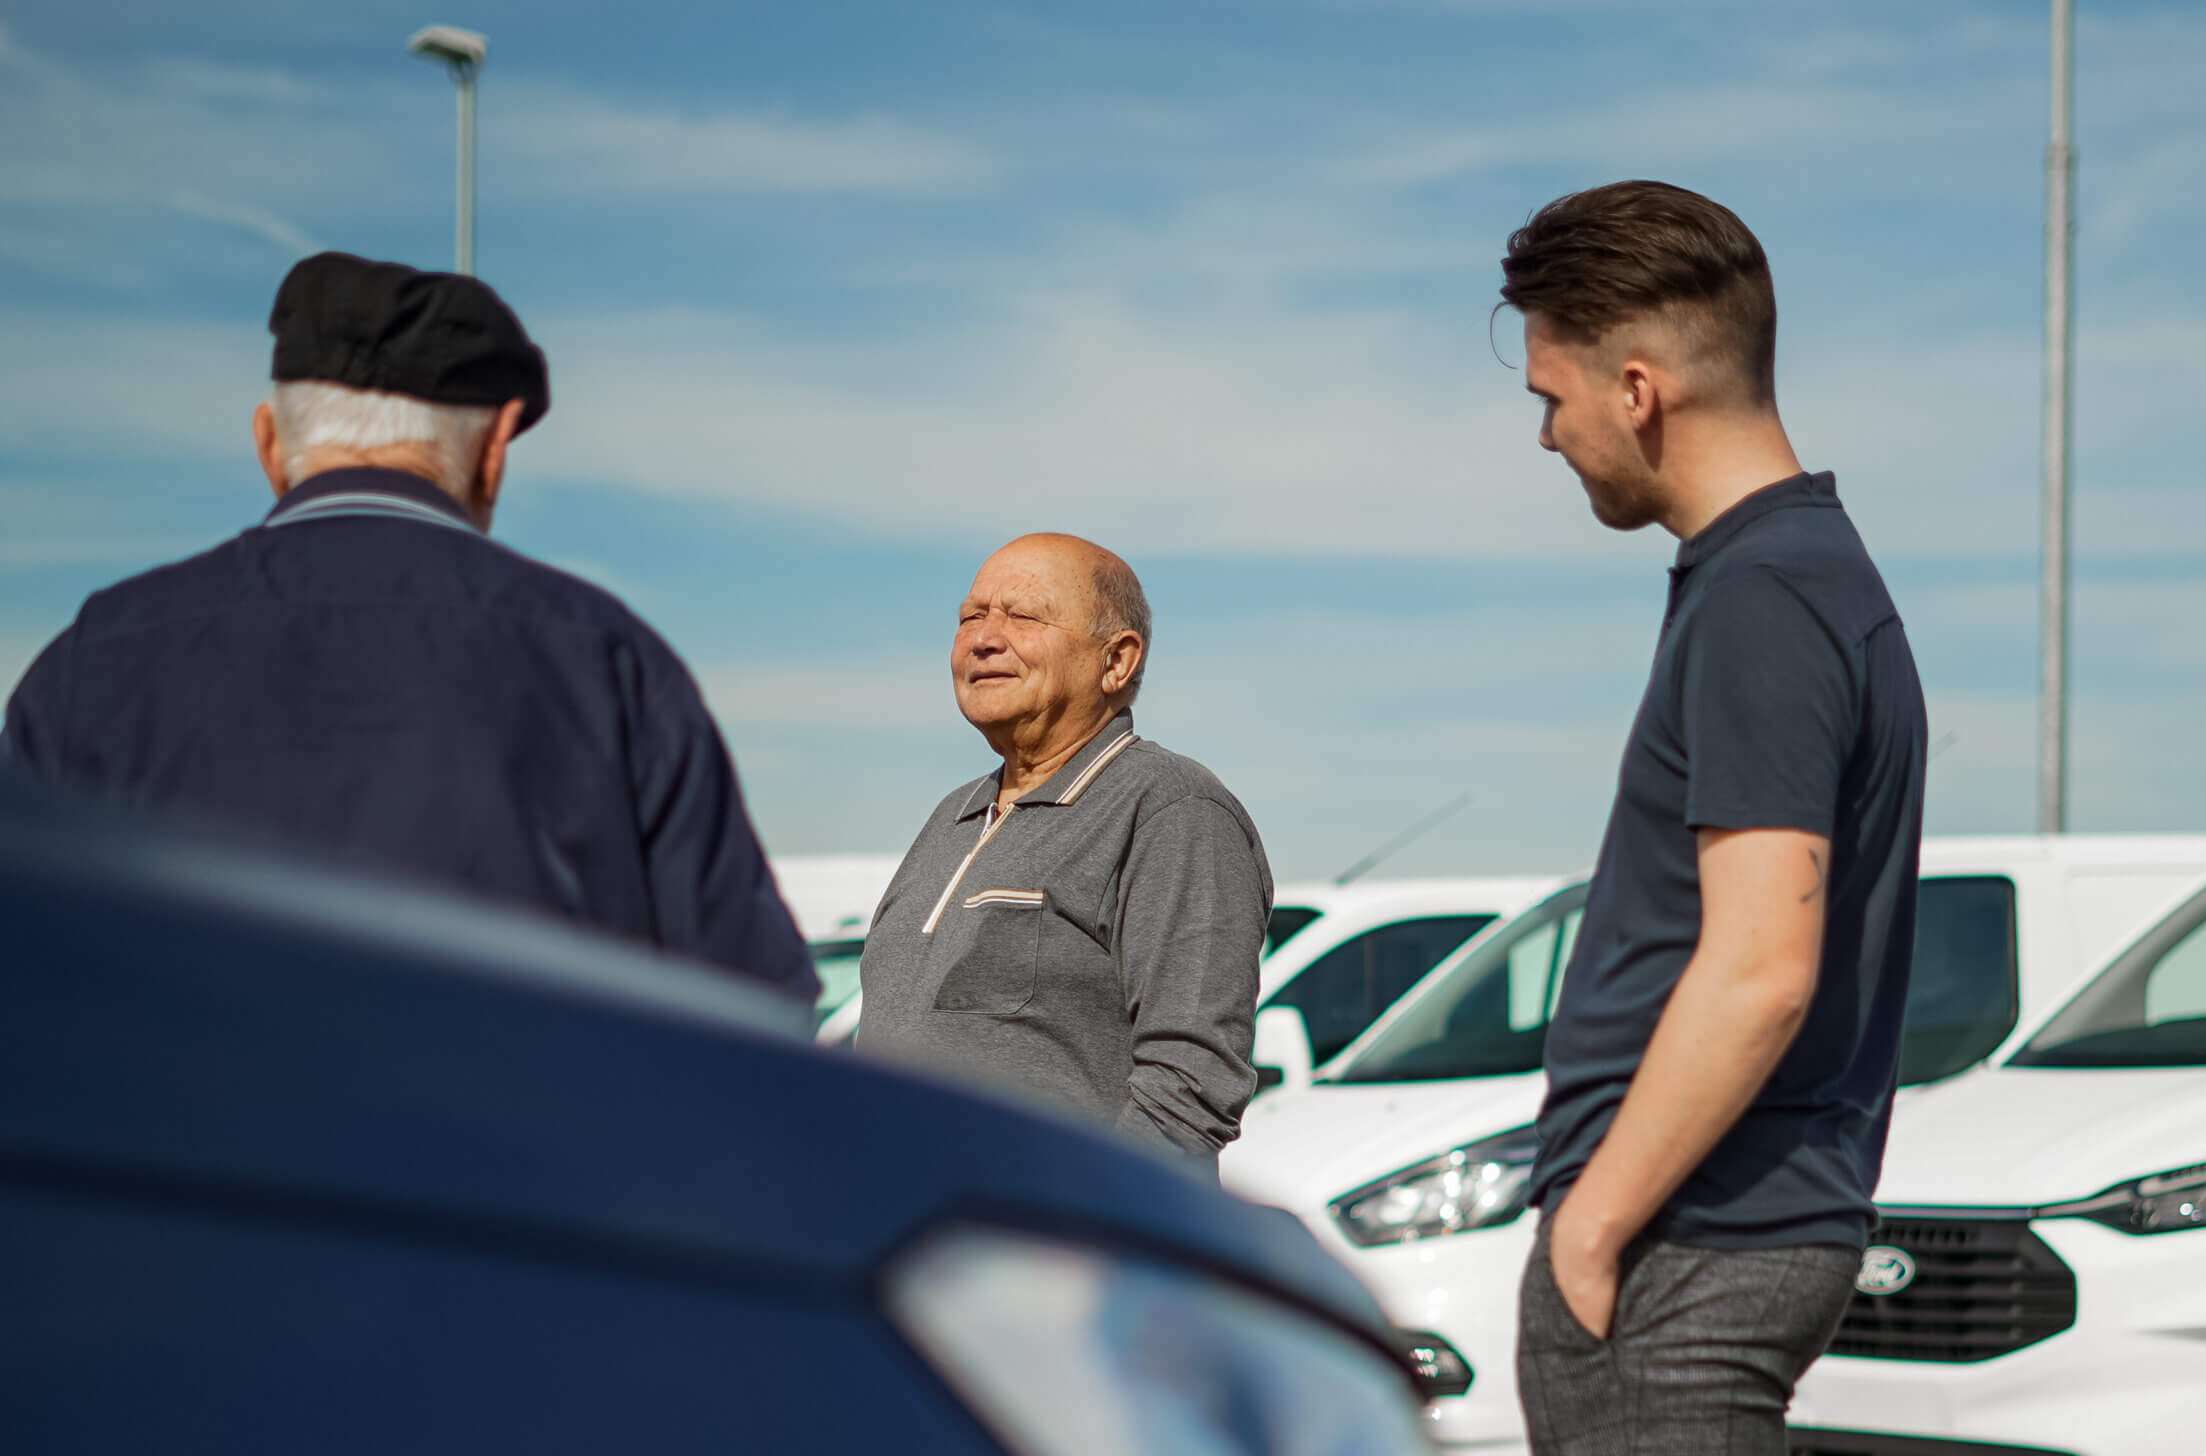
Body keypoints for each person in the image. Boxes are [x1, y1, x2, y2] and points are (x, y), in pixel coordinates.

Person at [1501, 182, 1927, 1456]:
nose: (1545, 434)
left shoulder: (1765, 596)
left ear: (1639, 388)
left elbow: (1760, 964)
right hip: (1690, 1235)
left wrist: (1594, 1229)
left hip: (1693, 1242)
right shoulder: (1784, 582)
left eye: (1552, 394)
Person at [0, 251, 815, 1002]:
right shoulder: (608, 660)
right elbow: (749, 1006)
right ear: (495, 445)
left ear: (268, 443)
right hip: (514, 1158)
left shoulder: (91, 659)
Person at [856, 533, 1271, 1169]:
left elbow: (1190, 1083)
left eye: (1023, 616)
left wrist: (1074, 1233)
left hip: (1053, 1250)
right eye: (971, 616)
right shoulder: (952, 816)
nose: (984, 639)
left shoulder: (1172, 810)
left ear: (1117, 661)